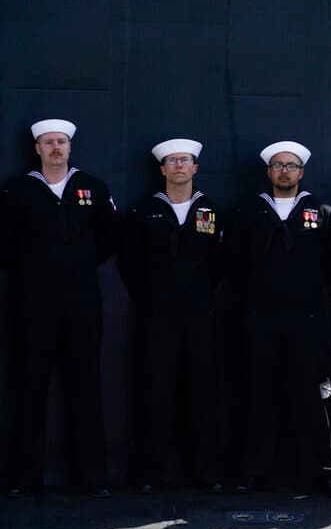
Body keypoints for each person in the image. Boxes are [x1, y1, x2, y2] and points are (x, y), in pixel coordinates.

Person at [221, 141, 331, 497]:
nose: (284, 171)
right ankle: (253, 471)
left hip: (305, 318)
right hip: (260, 317)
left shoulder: (320, 210)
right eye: (278, 165)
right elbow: (230, 260)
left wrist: (305, 286)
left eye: (291, 166)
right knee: (259, 393)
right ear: (268, 172)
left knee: (311, 395)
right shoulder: (249, 210)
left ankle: (324, 471)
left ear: (301, 172)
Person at [1, 119, 119, 498]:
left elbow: (109, 238)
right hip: (32, 302)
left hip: (81, 301)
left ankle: (92, 477)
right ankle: (23, 477)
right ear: (37, 148)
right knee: (29, 386)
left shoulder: (92, 188)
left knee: (84, 384)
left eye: (62, 142)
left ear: (70, 147)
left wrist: (76, 265)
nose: (55, 147)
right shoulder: (18, 190)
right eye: (48, 142)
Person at [118, 138, 225, 494]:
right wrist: (153, 299)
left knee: (204, 395)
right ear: (162, 169)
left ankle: (207, 472)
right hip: (157, 319)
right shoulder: (144, 211)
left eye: (186, 160)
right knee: (155, 393)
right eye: (172, 161)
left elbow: (222, 263)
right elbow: (130, 263)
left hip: (200, 318)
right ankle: (151, 473)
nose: (179, 166)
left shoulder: (210, 210)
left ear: (195, 168)